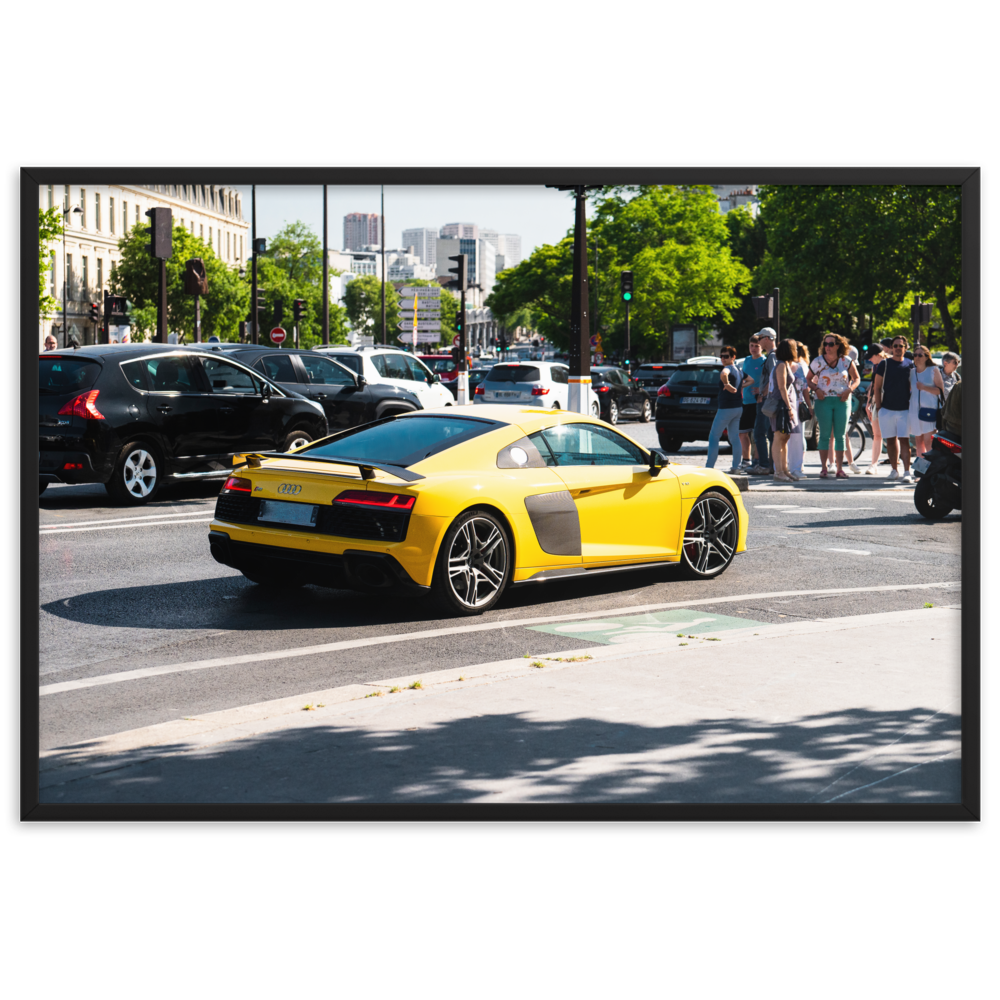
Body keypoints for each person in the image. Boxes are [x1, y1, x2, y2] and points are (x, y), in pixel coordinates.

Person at [808, 332, 860, 479]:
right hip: (823, 401)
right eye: (825, 344)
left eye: (831, 344)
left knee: (840, 435)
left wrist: (849, 390)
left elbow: (857, 378)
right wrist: (816, 389)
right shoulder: (817, 361)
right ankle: (824, 468)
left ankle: (839, 469)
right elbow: (808, 379)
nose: (827, 347)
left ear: (838, 345)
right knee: (824, 435)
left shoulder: (846, 361)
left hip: (842, 401)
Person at [873, 335, 915, 481]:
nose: (898, 348)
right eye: (895, 346)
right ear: (892, 348)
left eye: (901, 346)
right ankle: (894, 470)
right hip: (887, 409)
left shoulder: (910, 364)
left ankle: (907, 472)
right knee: (890, 441)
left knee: (904, 441)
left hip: (905, 409)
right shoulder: (884, 364)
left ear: (905, 348)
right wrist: (879, 408)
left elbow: (913, 387)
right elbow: (877, 387)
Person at [706, 346, 748, 472]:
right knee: (734, 438)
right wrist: (741, 386)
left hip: (726, 409)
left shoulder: (728, 368)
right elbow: (751, 379)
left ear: (733, 357)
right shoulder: (739, 370)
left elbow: (724, 374)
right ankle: (736, 467)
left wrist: (727, 384)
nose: (723, 359)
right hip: (738, 408)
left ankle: (709, 468)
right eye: (721, 356)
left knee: (714, 436)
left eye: (726, 356)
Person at [767, 339, 800, 481]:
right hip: (781, 405)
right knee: (779, 436)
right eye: (795, 348)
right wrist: (788, 407)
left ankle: (784, 470)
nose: (797, 351)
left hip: (786, 404)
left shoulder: (785, 364)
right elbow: (781, 388)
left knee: (785, 437)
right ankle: (778, 472)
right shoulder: (780, 365)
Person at [909, 346, 945, 460]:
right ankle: (921, 472)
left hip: (929, 410)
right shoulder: (911, 372)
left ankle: (930, 472)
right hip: (914, 411)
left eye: (920, 355)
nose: (917, 357)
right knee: (918, 443)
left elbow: (940, 390)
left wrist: (924, 387)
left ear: (926, 357)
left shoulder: (933, 370)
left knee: (928, 442)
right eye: (915, 355)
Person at [749, 328, 777, 475]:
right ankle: (771, 465)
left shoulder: (772, 356)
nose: (758, 341)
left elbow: (773, 377)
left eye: (760, 338)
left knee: (760, 432)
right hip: (769, 399)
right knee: (769, 433)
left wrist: (762, 392)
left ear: (767, 338)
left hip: (766, 400)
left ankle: (765, 465)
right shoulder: (773, 355)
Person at [739, 335, 765, 470]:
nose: (753, 348)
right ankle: (746, 460)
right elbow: (744, 377)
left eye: (756, 346)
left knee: (757, 433)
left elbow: (768, 380)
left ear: (761, 347)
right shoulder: (747, 360)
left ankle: (757, 460)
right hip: (745, 400)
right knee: (742, 432)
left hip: (758, 401)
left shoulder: (764, 361)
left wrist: (761, 389)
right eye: (751, 346)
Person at [787, 342, 812, 478]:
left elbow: (805, 388)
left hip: (797, 404)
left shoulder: (799, 367)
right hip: (785, 405)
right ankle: (783, 467)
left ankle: (796, 467)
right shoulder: (779, 367)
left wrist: (809, 405)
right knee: (784, 437)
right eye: (794, 349)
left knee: (797, 437)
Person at [863, 344, 888, 474]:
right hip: (876, 401)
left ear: (878, 354)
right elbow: (873, 385)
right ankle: (873, 465)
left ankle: (895, 466)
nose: (870, 360)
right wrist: (869, 402)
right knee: (877, 435)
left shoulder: (888, 364)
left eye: (871, 357)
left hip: (888, 402)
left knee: (892, 436)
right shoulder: (875, 366)